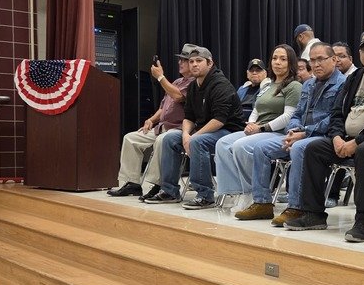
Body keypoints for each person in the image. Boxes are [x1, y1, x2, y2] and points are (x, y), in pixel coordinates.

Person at [285, 28, 364, 242]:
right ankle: (313, 213)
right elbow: (337, 112)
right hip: (348, 139)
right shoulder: (355, 77)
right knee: (314, 148)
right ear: (360, 53)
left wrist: (357, 141)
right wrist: (336, 137)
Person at [233, 42, 346, 223]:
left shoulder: (343, 84)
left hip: (323, 137)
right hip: (298, 134)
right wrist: (293, 129)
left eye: (321, 59)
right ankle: (262, 203)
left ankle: (295, 207)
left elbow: (335, 118)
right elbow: (297, 113)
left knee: (298, 147)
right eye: (313, 60)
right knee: (261, 148)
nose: (316, 64)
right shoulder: (309, 84)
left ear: (333, 60)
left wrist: (304, 133)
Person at [145, 45, 244, 206]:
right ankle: (169, 191)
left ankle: (205, 195)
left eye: (199, 61)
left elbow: (219, 120)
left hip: (228, 131)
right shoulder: (193, 86)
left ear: (210, 63)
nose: (194, 64)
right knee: (170, 138)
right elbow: (189, 116)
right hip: (204, 130)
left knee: (198, 142)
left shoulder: (221, 85)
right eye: (191, 61)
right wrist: (185, 135)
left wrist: (194, 137)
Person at [214, 45, 302, 206]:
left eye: (283, 59)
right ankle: (237, 191)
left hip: (278, 132)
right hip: (259, 129)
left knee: (241, 145)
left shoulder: (294, 86)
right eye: (275, 58)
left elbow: (288, 117)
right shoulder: (268, 85)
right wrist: (251, 124)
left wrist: (261, 128)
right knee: (222, 144)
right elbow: (256, 109)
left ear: (291, 63)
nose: (277, 62)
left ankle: (251, 193)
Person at [107, 49, 193, 200]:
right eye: (180, 60)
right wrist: (152, 120)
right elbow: (163, 107)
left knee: (162, 141)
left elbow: (178, 96)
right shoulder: (177, 82)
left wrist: (160, 77)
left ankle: (159, 184)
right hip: (163, 126)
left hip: (180, 129)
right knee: (131, 138)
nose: (180, 63)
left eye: (184, 60)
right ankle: (132, 183)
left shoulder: (193, 83)